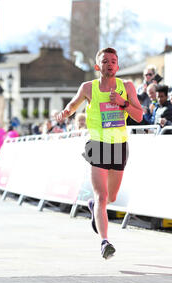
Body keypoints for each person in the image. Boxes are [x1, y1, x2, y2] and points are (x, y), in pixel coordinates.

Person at [55, 47, 143, 259]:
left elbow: (139, 116)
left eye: (113, 61)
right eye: (105, 61)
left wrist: (122, 103)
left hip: (119, 145)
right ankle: (105, 242)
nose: (109, 64)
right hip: (98, 144)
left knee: (111, 196)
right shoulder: (88, 87)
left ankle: (94, 207)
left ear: (118, 66)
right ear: (98, 66)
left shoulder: (127, 86)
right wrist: (65, 113)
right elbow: (73, 105)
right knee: (102, 195)